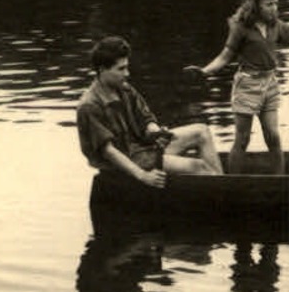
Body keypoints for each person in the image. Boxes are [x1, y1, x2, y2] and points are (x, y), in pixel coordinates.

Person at [185, 0, 289, 174]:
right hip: (247, 85)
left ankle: (280, 184)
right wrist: (204, 71)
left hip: (270, 84)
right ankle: (233, 185)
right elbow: (225, 56)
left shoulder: (275, 25)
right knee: (243, 139)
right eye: (269, 4)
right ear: (255, 5)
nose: (274, 8)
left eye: (275, 3)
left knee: (273, 136)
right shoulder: (241, 28)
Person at [76, 36, 223, 189]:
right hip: (125, 162)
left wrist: (155, 131)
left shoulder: (124, 89)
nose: (127, 73)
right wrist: (143, 176)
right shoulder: (90, 105)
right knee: (197, 166)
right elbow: (108, 151)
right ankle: (224, 194)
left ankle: (225, 188)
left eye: (127, 67)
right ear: (102, 70)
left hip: (141, 150)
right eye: (121, 69)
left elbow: (146, 118)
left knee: (201, 131)